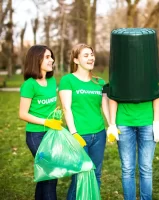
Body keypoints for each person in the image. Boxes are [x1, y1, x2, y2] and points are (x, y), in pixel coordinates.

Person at [59, 43, 109, 200]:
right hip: (78, 134)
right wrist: (74, 133)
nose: (90, 58)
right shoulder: (68, 80)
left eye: (92, 55)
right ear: (76, 60)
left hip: (99, 134)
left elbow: (105, 107)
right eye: (86, 55)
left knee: (96, 174)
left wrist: (112, 126)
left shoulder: (100, 82)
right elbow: (66, 108)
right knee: (80, 175)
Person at [19, 45, 62, 200]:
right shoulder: (29, 84)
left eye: (51, 56)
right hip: (35, 135)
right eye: (47, 57)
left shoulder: (51, 82)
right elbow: (22, 114)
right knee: (51, 173)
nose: (52, 60)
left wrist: (55, 115)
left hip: (52, 133)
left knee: (47, 176)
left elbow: (48, 106)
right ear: (36, 60)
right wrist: (46, 121)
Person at [107, 96, 159, 200]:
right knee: (127, 168)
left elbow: (156, 92)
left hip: (147, 122)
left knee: (146, 168)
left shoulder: (149, 78)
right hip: (124, 122)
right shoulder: (119, 78)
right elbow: (113, 95)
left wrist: (157, 121)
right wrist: (112, 124)